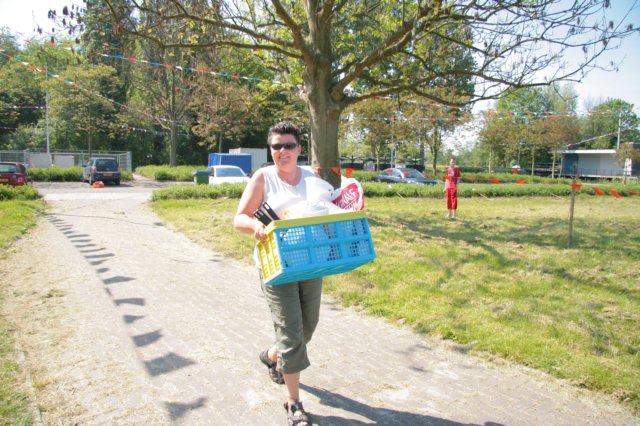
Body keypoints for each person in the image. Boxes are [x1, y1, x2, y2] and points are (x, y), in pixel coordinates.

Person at [234, 121, 319, 426]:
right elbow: (239, 218)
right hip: (275, 266)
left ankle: (272, 356)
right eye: (276, 146)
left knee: (307, 327)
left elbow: (327, 210)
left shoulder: (311, 177)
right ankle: (294, 403)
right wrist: (256, 226)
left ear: (299, 148)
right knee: (292, 335)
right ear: (271, 150)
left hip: (310, 262)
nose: (282, 151)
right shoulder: (263, 177)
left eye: (288, 145)